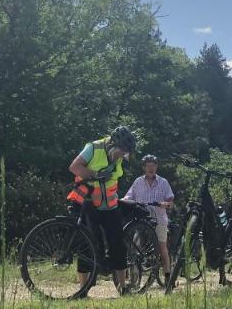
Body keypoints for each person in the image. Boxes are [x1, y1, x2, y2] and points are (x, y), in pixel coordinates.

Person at [68, 125, 136, 293]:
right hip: (88, 202)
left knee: (118, 244)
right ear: (113, 143)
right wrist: (94, 174)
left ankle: (122, 286)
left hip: (109, 205)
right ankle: (83, 288)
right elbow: (74, 167)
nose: (123, 155)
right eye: (122, 150)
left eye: (126, 151)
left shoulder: (119, 156)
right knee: (87, 243)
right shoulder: (93, 148)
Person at [123, 154, 176, 281]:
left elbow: (170, 201)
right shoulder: (138, 182)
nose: (151, 168)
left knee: (162, 247)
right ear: (144, 167)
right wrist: (121, 201)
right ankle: (134, 278)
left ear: (157, 167)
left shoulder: (163, 182)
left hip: (159, 220)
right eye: (148, 166)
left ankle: (168, 276)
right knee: (135, 247)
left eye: (153, 166)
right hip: (142, 220)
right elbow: (128, 197)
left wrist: (166, 204)